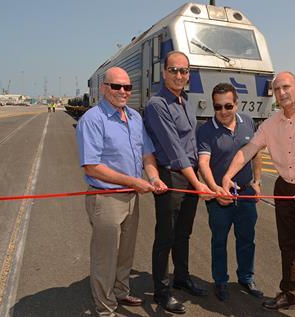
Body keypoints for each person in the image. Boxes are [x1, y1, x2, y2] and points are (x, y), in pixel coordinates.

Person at [222, 71, 295, 317]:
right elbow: (248, 150)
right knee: (287, 246)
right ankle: (289, 294)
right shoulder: (270, 123)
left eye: (286, 87)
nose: (282, 93)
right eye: (277, 89)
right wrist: (227, 176)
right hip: (285, 188)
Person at [76, 67, 167, 317]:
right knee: (105, 257)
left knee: (126, 250)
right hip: (106, 198)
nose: (123, 92)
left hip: (131, 196)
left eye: (127, 87)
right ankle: (105, 308)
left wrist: (154, 177)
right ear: (104, 88)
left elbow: (146, 153)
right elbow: (92, 166)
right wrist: (133, 181)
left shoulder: (135, 117)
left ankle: (120, 290)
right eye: (117, 87)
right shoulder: (93, 119)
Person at [143, 51, 214, 314]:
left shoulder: (185, 101)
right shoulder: (157, 104)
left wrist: (200, 178)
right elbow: (175, 150)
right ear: (164, 73)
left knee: (183, 233)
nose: (179, 75)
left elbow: (192, 144)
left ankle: (181, 278)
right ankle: (162, 292)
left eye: (184, 71)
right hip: (172, 176)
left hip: (189, 175)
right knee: (166, 236)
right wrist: (198, 183)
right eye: (174, 70)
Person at [197, 83, 263, 302]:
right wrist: (215, 189)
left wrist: (257, 180)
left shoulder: (248, 123)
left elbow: (256, 154)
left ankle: (246, 277)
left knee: (247, 239)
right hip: (219, 198)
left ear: (237, 103)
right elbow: (203, 163)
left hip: (245, 195)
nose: (223, 112)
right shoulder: (205, 130)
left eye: (228, 106)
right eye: (217, 107)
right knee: (219, 240)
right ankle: (221, 281)